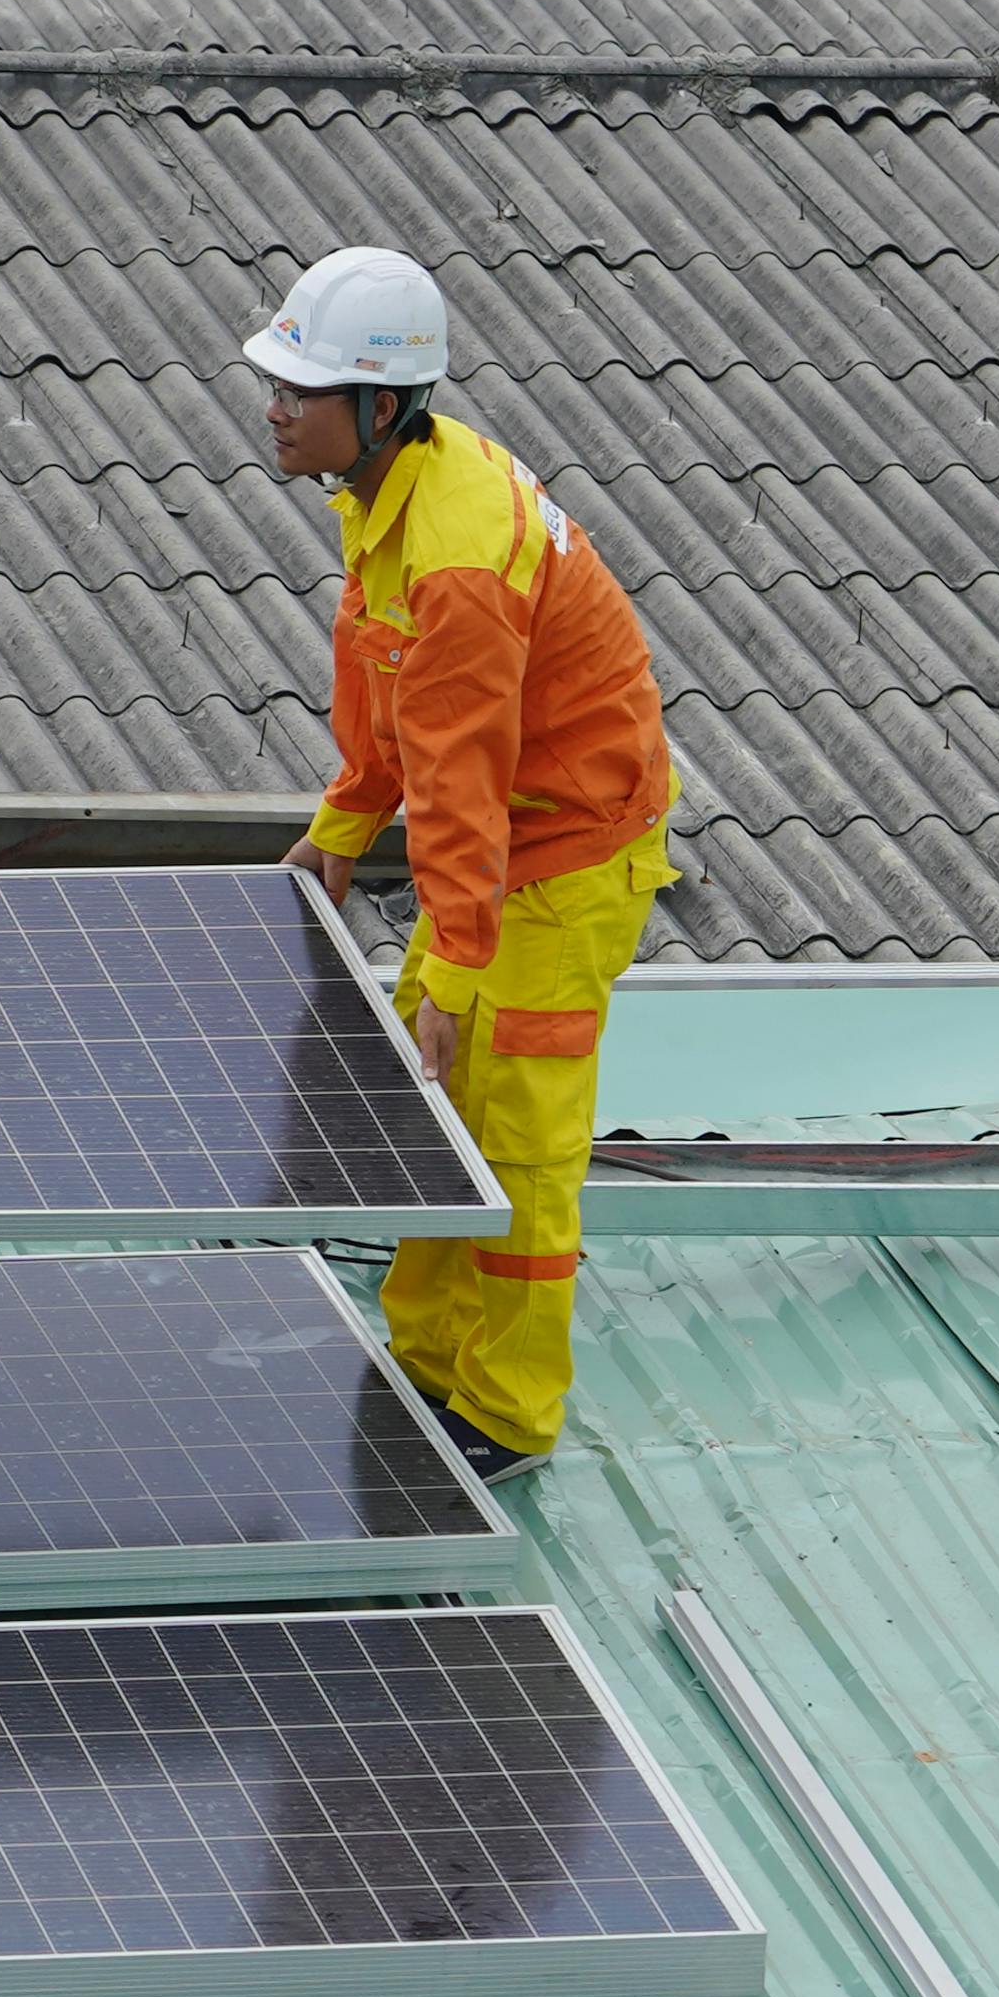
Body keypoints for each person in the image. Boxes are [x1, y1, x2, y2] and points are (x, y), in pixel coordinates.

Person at [245, 247, 678, 1471]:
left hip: (562, 855)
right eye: (274, 382)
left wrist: (454, 972)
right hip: (494, 848)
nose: (273, 407)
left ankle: (506, 1410)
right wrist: (338, 830)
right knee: (437, 1110)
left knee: (515, 1139)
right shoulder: (391, 491)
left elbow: (464, 782)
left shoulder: (460, 563)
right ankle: (431, 1360)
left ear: (378, 407)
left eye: (300, 388)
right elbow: (393, 706)